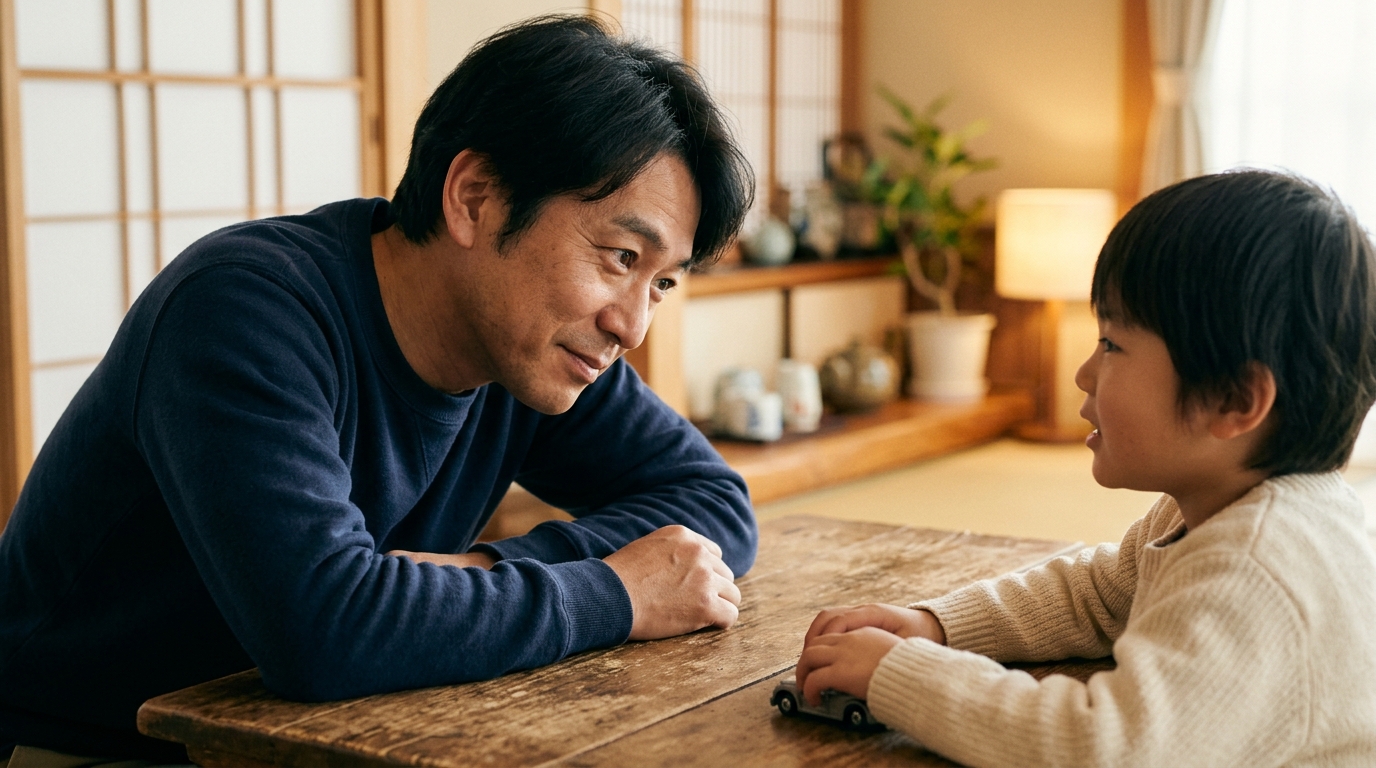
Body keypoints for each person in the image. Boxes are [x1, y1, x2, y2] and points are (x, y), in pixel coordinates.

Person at [0, 15, 758, 765]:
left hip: (321, 736)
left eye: (661, 282)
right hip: (83, 745)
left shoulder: (533, 346)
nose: (632, 325)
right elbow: (323, 631)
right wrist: (613, 593)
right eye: (620, 256)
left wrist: (490, 573)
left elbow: (713, 503)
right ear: (475, 197)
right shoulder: (243, 308)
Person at [794, 170, 1376, 766]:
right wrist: (938, 626)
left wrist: (904, 674)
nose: (1084, 372)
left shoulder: (1256, 567)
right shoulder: (1212, 506)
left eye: (1113, 345)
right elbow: (1100, 596)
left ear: (1233, 401)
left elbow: (1104, 748)